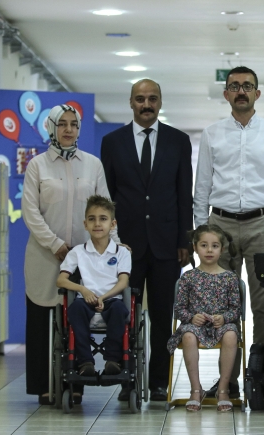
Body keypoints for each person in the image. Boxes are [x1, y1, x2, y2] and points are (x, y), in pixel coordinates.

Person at [194, 66, 264, 397]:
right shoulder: (212, 134)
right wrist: (200, 233)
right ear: (226, 93)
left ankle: (263, 377)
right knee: (221, 307)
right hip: (220, 227)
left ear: (257, 93)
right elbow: (202, 187)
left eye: (247, 86)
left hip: (261, 224)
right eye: (234, 86)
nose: (241, 91)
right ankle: (226, 382)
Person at [101, 79, 193, 401]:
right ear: (131, 103)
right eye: (140, 99)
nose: (146, 104)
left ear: (160, 102)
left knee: (162, 317)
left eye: (152, 98)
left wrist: (185, 240)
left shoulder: (178, 141)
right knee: (125, 313)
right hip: (126, 246)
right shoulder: (112, 142)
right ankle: (127, 379)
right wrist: (110, 241)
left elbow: (184, 193)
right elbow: (107, 196)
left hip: (167, 245)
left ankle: (158, 383)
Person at [22, 104, 120, 405]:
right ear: (51, 128)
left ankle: (77, 383)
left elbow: (105, 208)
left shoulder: (92, 165)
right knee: (42, 320)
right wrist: (55, 244)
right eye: (62, 124)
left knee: (77, 318)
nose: (68, 129)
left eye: (73, 124)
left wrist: (115, 245)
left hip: (85, 256)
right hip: (45, 254)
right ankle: (43, 385)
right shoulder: (37, 165)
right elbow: (30, 211)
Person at [167, 224, 241, 412]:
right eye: (204, 245)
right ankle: (196, 390)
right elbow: (179, 309)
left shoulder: (230, 278)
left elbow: (236, 310)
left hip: (220, 325)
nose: (209, 250)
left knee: (231, 334)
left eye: (215, 246)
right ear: (195, 247)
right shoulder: (188, 277)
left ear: (222, 249)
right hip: (195, 326)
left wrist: (224, 318)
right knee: (188, 336)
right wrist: (192, 317)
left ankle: (223, 389)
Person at [56, 195, 131, 377]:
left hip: (112, 300)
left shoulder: (122, 252)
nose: (97, 224)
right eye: (92, 219)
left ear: (112, 224)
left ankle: (112, 361)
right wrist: (83, 289)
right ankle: (85, 362)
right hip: (85, 300)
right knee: (75, 309)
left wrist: (103, 297)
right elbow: (61, 280)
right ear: (85, 224)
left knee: (119, 310)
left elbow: (123, 281)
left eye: (103, 219)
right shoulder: (78, 252)